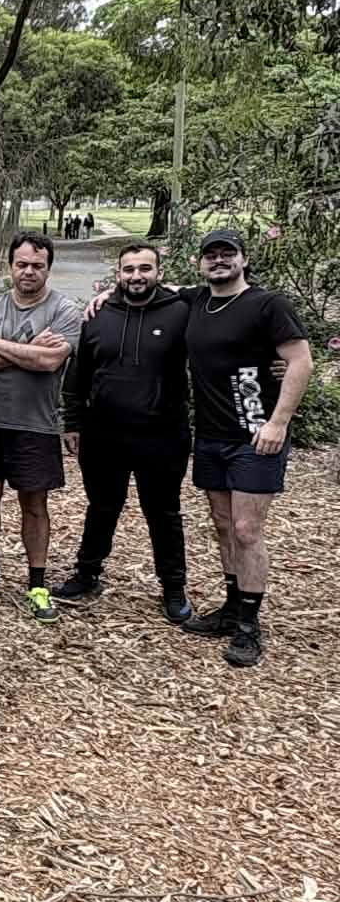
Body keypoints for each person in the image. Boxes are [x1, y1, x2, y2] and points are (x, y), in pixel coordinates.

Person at [180, 228, 313, 667]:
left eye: (228, 254)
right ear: (201, 263)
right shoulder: (197, 301)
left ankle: (250, 626)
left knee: (246, 529)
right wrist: (101, 298)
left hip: (258, 435)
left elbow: (300, 360)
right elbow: (146, 289)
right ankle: (232, 606)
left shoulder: (267, 304)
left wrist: (279, 421)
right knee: (221, 523)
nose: (219, 261)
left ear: (244, 259)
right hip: (213, 435)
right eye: (211, 255)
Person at [56, 242, 193, 622]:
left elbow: (225, 313)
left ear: (159, 273)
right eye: (129, 269)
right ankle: (87, 575)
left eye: (145, 268)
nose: (137, 276)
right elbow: (78, 373)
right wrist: (72, 421)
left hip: (162, 433)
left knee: (163, 512)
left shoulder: (182, 310)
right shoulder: (99, 313)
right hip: (103, 433)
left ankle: (173, 587)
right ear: (118, 273)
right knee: (101, 508)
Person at [0, 231, 82, 621]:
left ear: (48, 268)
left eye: (37, 265)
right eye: (22, 264)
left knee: (35, 505)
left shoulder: (64, 310)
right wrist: (26, 350)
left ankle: (38, 582)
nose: (28, 271)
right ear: (11, 265)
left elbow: (50, 363)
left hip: (35, 425)